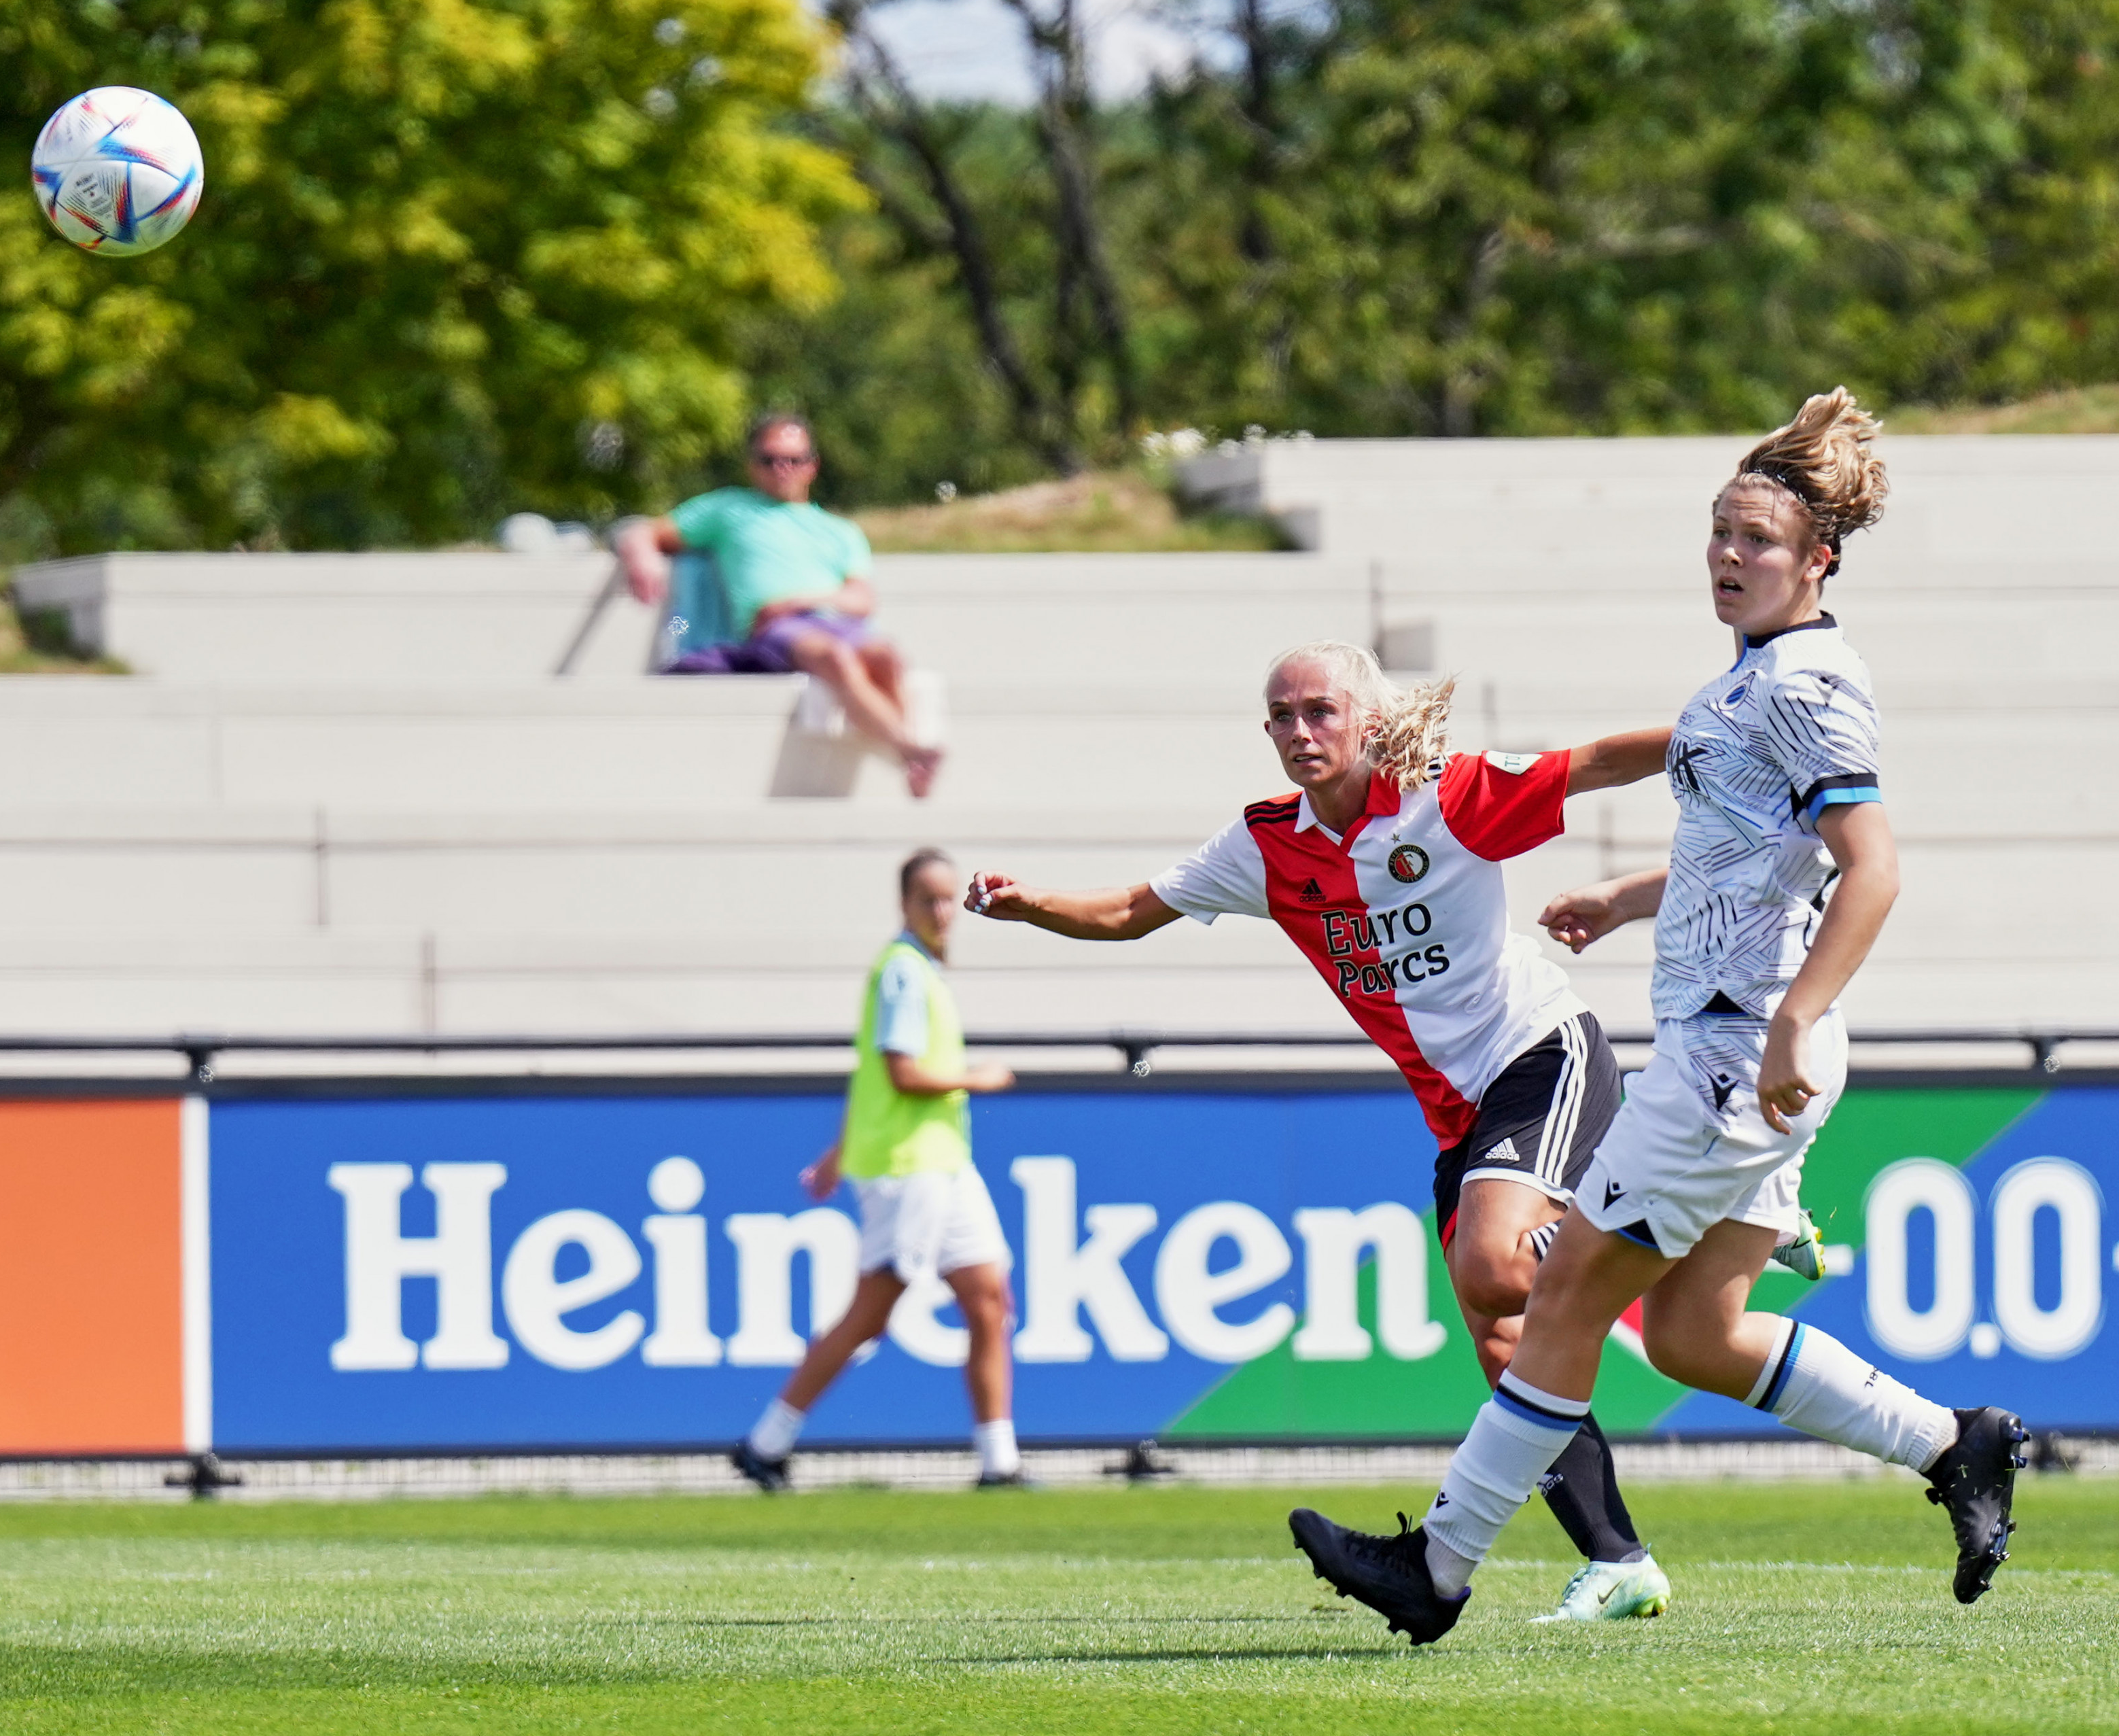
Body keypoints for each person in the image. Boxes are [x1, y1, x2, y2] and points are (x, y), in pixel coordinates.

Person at [1288, 389, 2030, 1646]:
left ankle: (1442, 1567)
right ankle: (1958, 1445)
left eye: (1758, 540)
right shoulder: (1748, 683)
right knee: (1694, 1335)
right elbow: (1756, 848)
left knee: (1565, 1290)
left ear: (1820, 561)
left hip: (1738, 1057)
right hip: (1728, 1043)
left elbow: (1874, 865)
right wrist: (1635, 900)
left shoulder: (1810, 687)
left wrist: (1801, 1017)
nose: (1730, 557)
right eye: (1721, 533)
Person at [965, 640, 1690, 1623]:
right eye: (1282, 716)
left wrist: (1717, 736)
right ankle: (1619, 1560)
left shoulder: (1447, 798)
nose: (1301, 731)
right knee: (1507, 1340)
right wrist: (1029, 905)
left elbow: (1594, 762)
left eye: (1320, 711)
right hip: (1458, 1114)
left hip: (1539, 1055)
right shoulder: (1269, 845)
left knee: (1491, 1270)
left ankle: (1682, 1222)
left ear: (1366, 719)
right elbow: (1137, 910)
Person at [732, 848, 1022, 1489]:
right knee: (872, 1311)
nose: (943, 911)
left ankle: (999, 1463)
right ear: (905, 904)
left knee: (989, 1300)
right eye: (929, 899)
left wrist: (835, 1155)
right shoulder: (902, 971)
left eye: (950, 899)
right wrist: (980, 1078)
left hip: (944, 1162)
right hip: (907, 1169)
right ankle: (765, 1443)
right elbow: (901, 1072)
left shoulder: (922, 970)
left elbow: (869, 1080)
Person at [616, 414, 945, 797]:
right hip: (776, 629)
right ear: (752, 465)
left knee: (885, 655)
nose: (782, 469)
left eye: (794, 459)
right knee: (836, 659)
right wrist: (643, 557)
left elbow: (862, 600)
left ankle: (912, 755)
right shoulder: (728, 509)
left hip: (834, 619)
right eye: (769, 460)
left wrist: (805, 600)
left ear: (813, 465)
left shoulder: (840, 531)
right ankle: (912, 750)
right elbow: (644, 531)